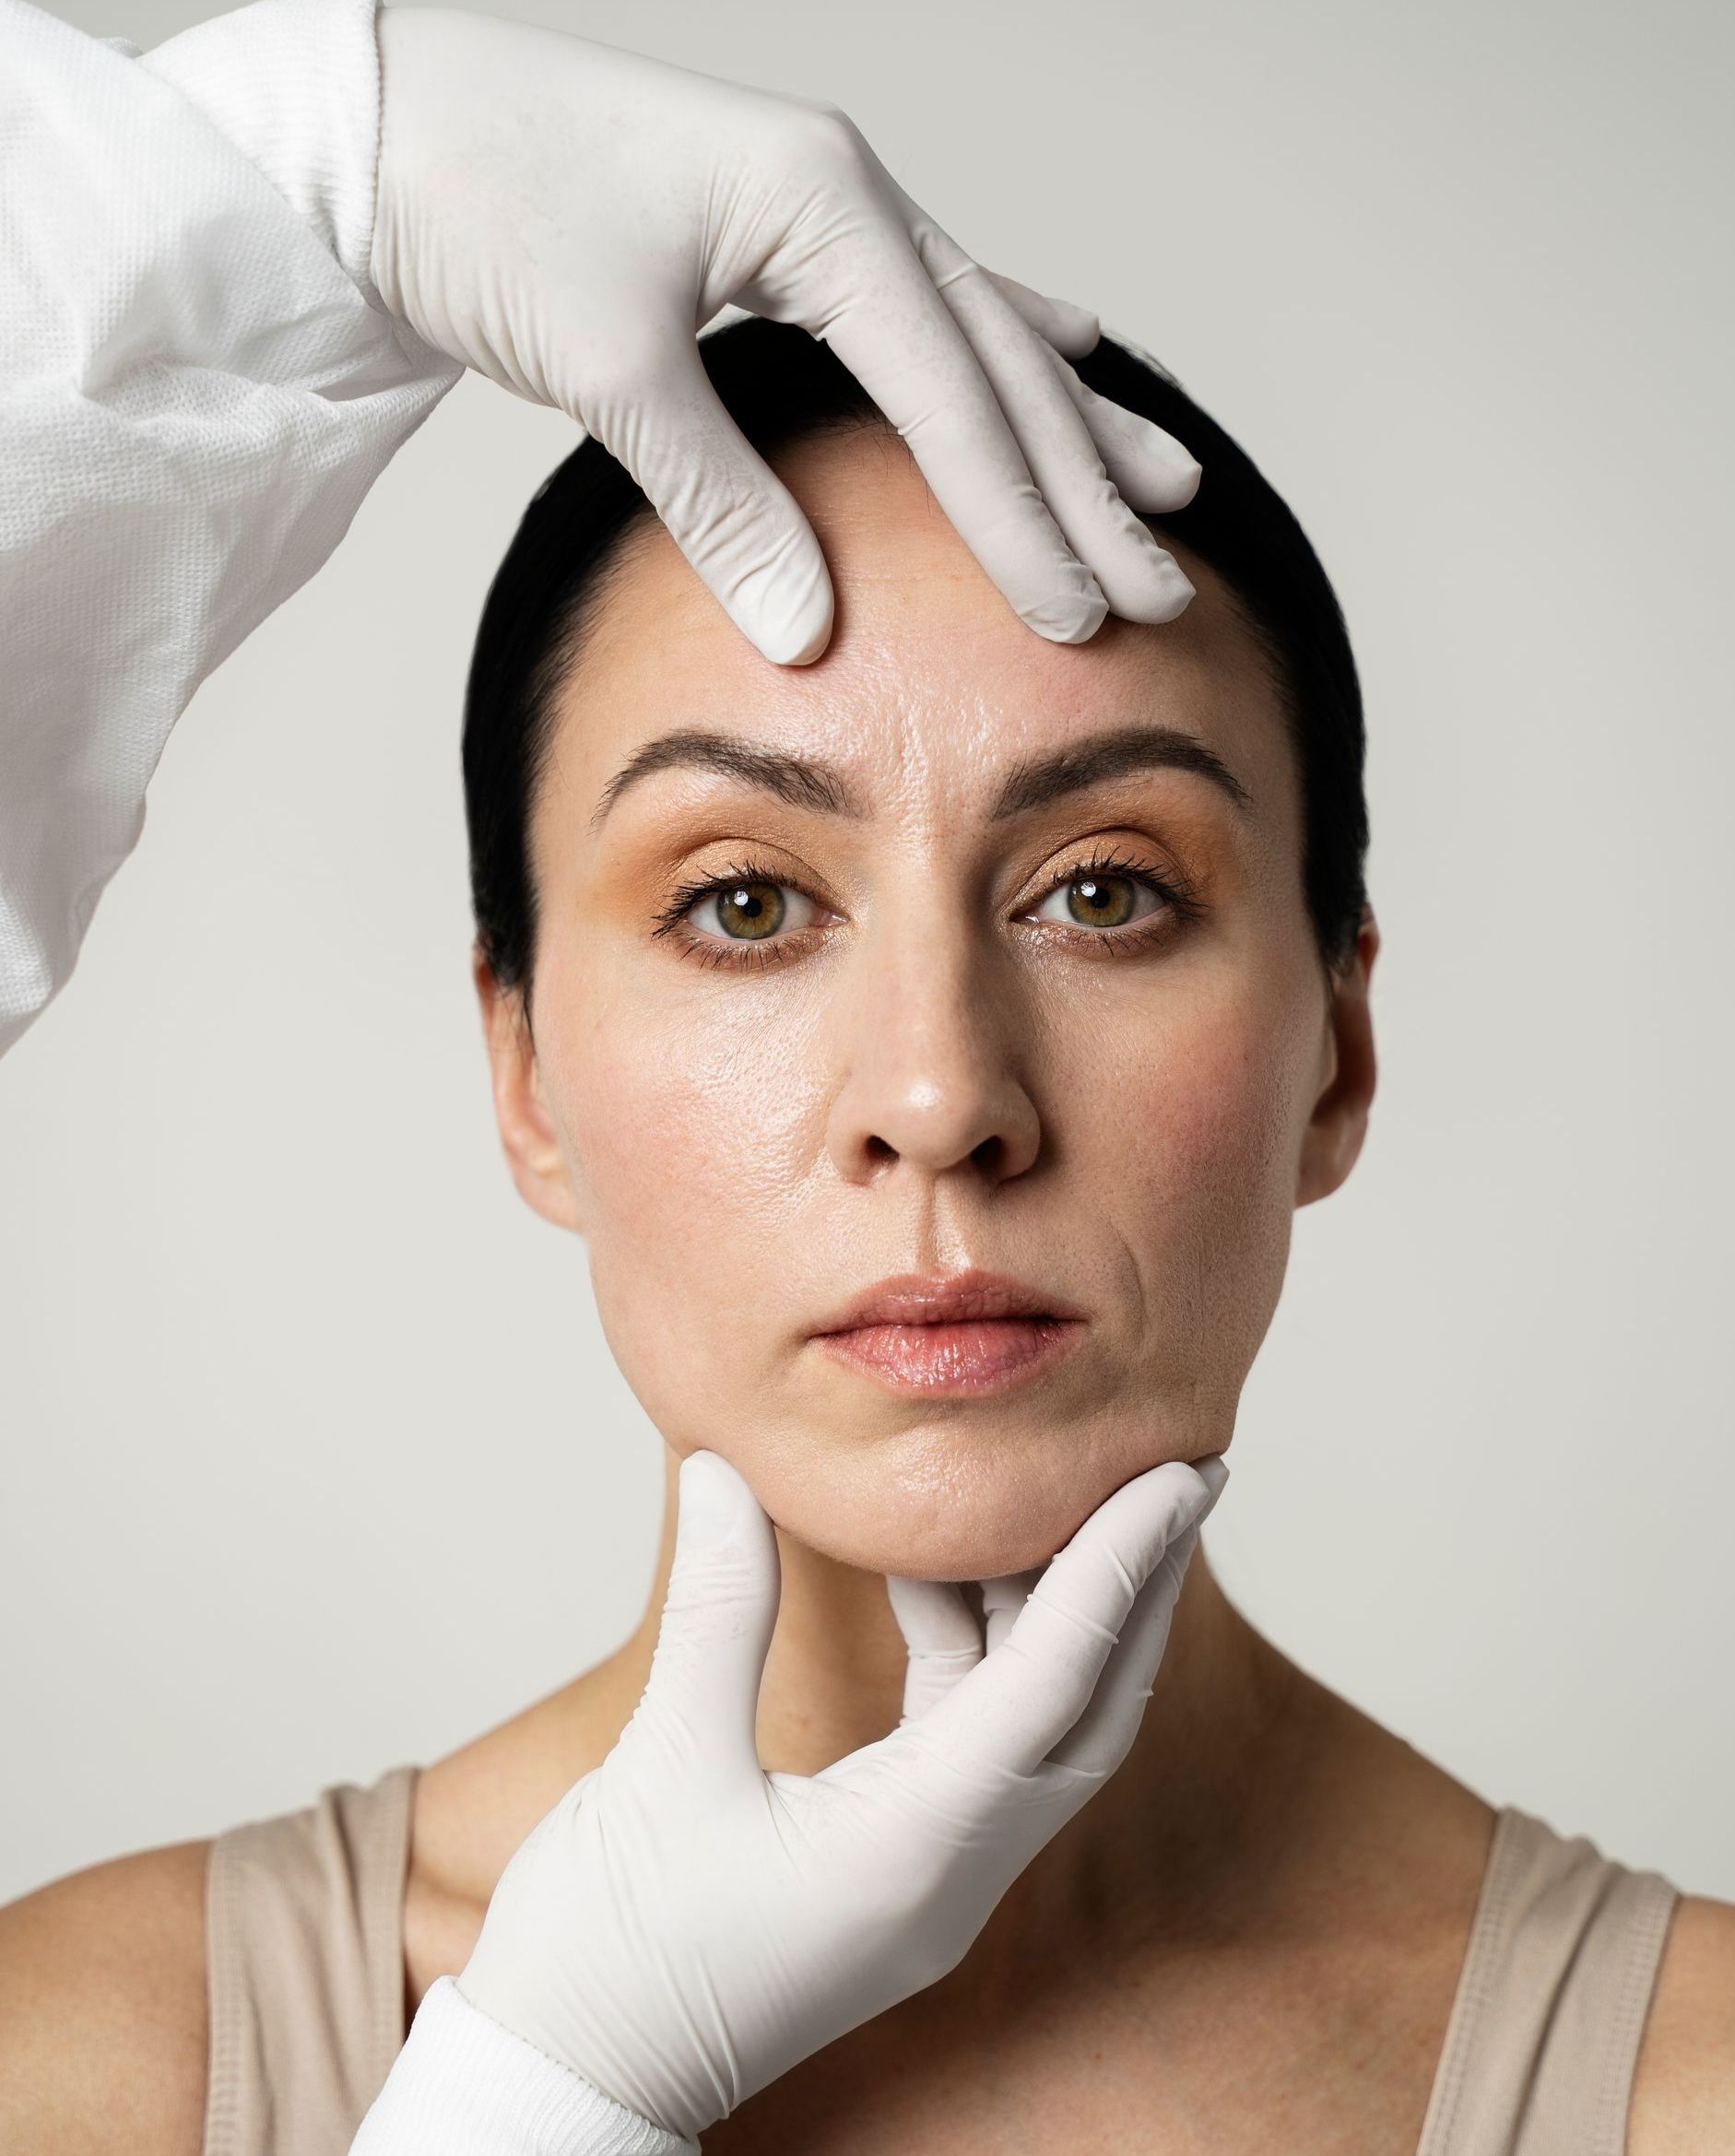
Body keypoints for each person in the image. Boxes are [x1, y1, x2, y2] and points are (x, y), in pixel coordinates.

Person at [4, 14, 1732, 2156]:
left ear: (1334, 1053)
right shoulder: (88, 2067)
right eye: (742, 904)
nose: (937, 1096)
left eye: (1105, 892)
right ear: (524, 1070)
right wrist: (292, 173)